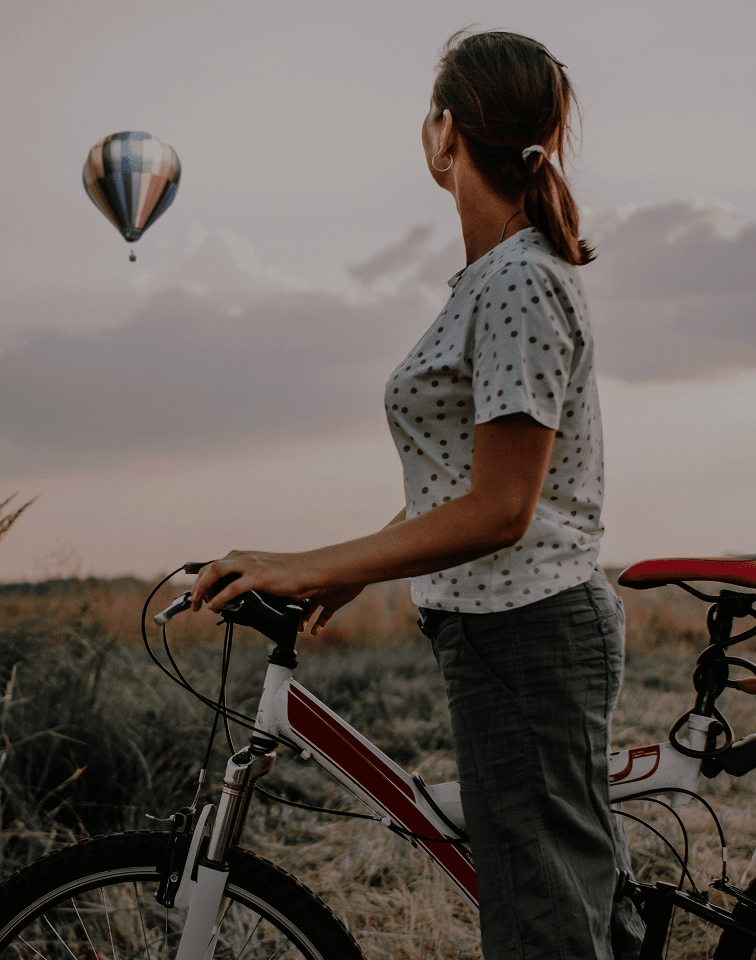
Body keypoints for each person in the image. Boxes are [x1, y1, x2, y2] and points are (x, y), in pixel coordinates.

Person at [190, 29, 645, 960]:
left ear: (443, 135)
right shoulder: (497, 278)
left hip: (528, 634)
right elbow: (465, 485)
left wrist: (304, 560)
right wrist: (349, 573)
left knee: (542, 929)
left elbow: (503, 508)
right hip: (512, 634)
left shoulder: (516, 279)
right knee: (567, 908)